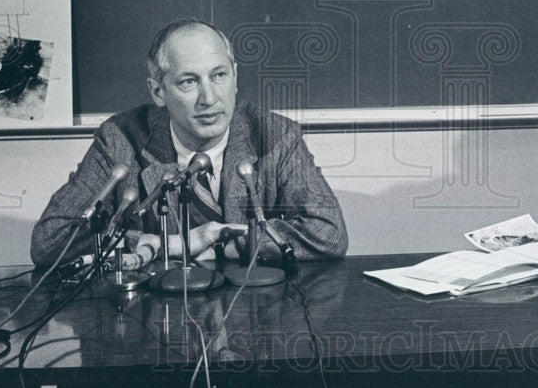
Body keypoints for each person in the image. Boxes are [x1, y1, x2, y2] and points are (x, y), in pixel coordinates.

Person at [31, 19, 348, 268]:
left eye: (219, 76)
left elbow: (329, 233)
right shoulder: (120, 138)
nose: (209, 98)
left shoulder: (275, 135)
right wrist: (169, 245)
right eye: (188, 81)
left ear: (235, 77)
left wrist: (224, 242)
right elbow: (50, 241)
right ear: (158, 92)